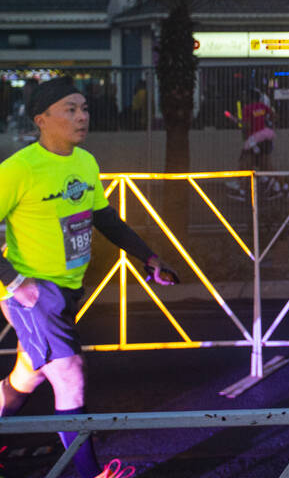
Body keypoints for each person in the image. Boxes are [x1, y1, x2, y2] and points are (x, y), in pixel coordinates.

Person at [0, 78, 179, 478]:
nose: (82, 117)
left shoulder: (85, 162)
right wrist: (15, 282)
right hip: (33, 293)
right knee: (69, 375)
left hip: (67, 292)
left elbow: (104, 217)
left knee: (26, 376)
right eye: (70, 109)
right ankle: (90, 473)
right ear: (41, 119)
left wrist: (147, 257)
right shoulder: (17, 169)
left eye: (84, 108)